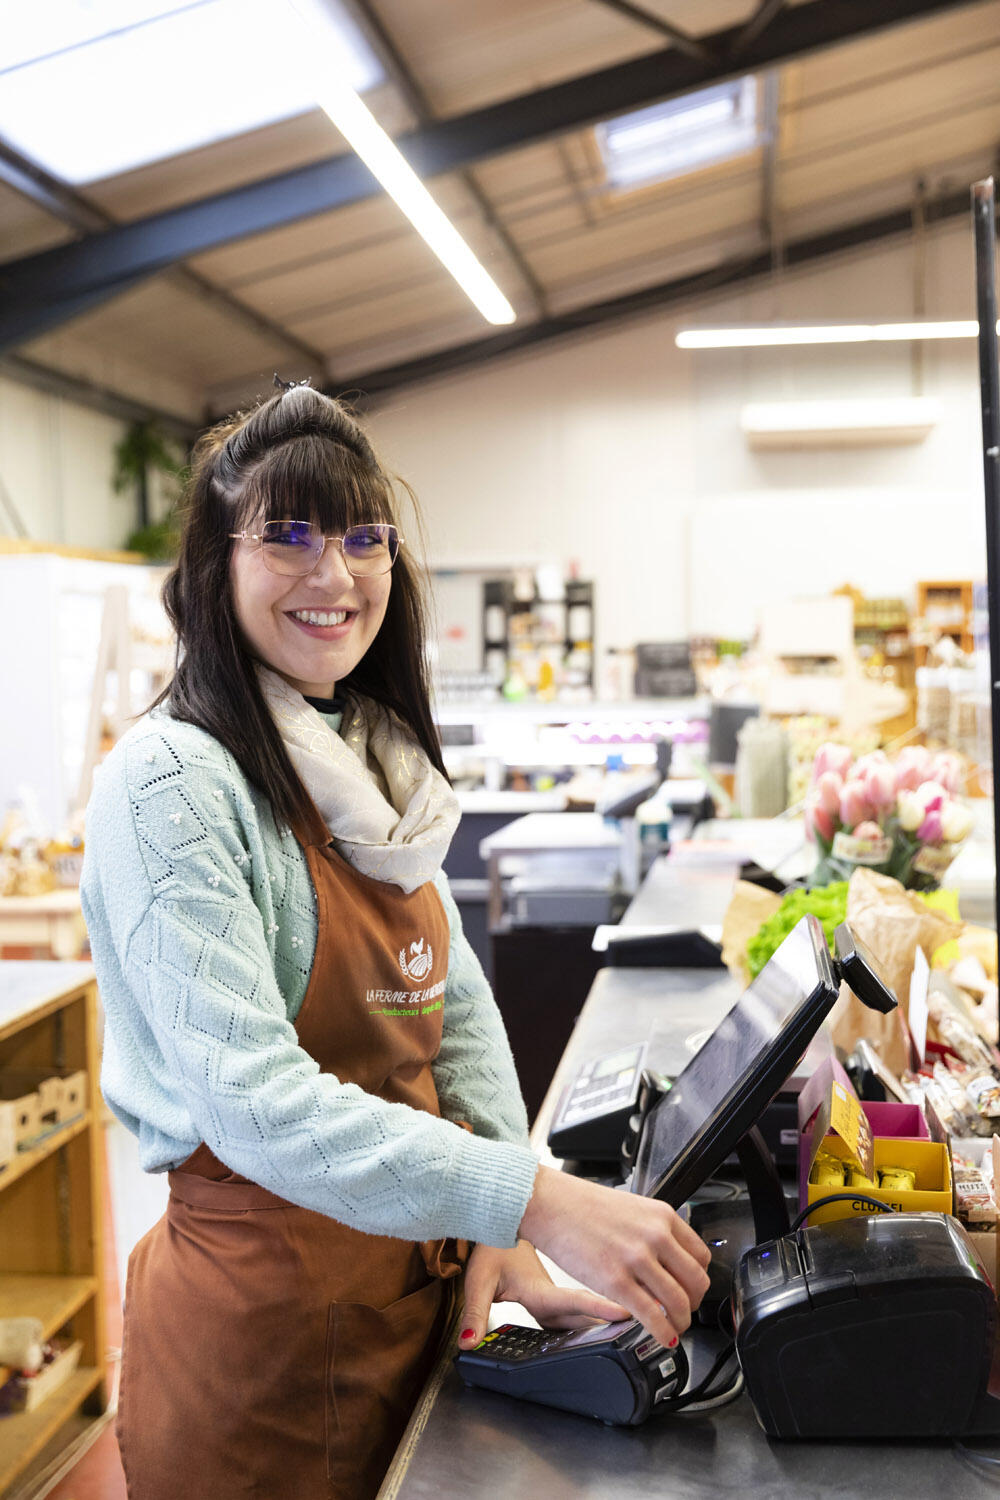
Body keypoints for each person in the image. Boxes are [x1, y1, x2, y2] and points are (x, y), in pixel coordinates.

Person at [81, 382, 711, 1500]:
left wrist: (501, 1230)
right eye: (288, 537)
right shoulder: (172, 782)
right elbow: (255, 1103)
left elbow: (457, 1012)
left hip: (411, 1298)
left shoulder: (374, 761)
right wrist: (531, 1198)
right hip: (260, 1346)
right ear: (212, 565)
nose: (334, 576)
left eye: (362, 539)